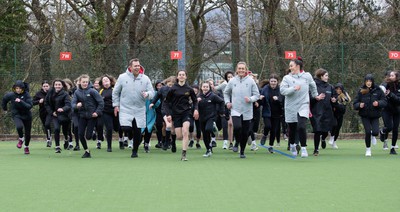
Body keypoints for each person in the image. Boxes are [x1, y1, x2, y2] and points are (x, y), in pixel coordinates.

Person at [280, 57, 322, 158]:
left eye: (291, 66)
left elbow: (312, 85)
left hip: (303, 104)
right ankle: (292, 145)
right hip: (290, 106)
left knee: (301, 126)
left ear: (298, 66)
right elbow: (283, 91)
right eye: (289, 66)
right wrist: (294, 88)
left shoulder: (307, 76)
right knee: (292, 128)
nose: (290, 68)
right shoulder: (287, 78)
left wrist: (315, 95)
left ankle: (303, 148)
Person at [112, 58, 154, 158]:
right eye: (135, 66)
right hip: (126, 108)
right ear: (130, 67)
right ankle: (128, 136)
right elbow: (115, 92)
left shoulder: (145, 78)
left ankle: (135, 151)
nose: (137, 67)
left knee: (138, 131)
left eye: (138, 66)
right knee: (126, 127)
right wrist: (116, 105)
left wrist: (147, 94)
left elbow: (152, 93)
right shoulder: (122, 77)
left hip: (139, 109)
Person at [223, 62, 260, 158]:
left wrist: (251, 99)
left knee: (245, 132)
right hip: (235, 109)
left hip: (247, 110)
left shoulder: (251, 81)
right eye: (239, 68)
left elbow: (257, 95)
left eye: (243, 68)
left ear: (246, 70)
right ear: (236, 69)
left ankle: (242, 151)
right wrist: (227, 102)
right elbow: (226, 93)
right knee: (237, 127)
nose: (241, 70)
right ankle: (236, 142)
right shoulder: (232, 81)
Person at [164, 70, 199, 161]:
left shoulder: (189, 89)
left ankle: (184, 154)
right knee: (179, 135)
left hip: (186, 112)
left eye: (183, 75)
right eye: (180, 75)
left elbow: (195, 101)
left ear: (186, 77)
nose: (182, 76)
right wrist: (168, 114)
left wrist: (195, 110)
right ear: (177, 77)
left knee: (185, 131)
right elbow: (166, 102)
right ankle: (174, 141)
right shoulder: (173, 89)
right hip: (175, 113)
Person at [353, 74, 387, 156]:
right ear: (365, 82)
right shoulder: (361, 90)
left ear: (372, 82)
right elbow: (355, 103)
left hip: (375, 115)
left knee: (375, 132)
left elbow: (384, 101)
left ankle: (373, 136)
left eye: (370, 81)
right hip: (364, 115)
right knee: (368, 132)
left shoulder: (378, 90)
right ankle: (368, 149)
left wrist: (378, 103)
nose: (368, 83)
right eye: (367, 81)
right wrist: (359, 105)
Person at [71, 74, 104, 158]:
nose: (85, 83)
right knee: (80, 134)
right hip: (82, 116)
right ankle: (87, 151)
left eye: (86, 82)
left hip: (92, 116)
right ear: (80, 82)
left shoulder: (92, 91)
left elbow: (101, 102)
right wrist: (76, 106)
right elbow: (73, 104)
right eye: (83, 82)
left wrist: (97, 112)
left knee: (88, 136)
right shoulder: (77, 92)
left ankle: (93, 132)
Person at [310, 68, 337, 156]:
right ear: (321, 76)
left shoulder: (330, 86)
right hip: (316, 112)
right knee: (317, 130)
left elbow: (334, 96)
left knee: (326, 130)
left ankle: (323, 139)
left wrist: (334, 99)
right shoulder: (313, 85)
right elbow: (309, 98)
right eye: (326, 76)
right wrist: (316, 98)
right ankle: (316, 149)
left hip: (328, 112)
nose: (327, 77)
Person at [2, 80, 33, 154]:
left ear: (22, 88)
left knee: (28, 134)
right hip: (17, 114)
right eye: (16, 88)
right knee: (19, 127)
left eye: (19, 88)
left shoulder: (27, 95)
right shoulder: (11, 95)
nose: (18, 90)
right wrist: (5, 109)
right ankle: (21, 138)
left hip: (27, 115)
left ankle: (26, 147)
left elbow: (29, 106)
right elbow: (4, 100)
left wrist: (21, 101)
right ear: (14, 88)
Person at [197, 81, 225, 157]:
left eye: (207, 87)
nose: (205, 88)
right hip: (202, 118)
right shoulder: (198, 96)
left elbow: (222, 101)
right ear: (201, 88)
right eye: (204, 87)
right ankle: (208, 150)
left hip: (211, 117)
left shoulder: (213, 96)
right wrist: (197, 102)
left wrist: (221, 111)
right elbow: (193, 105)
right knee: (205, 135)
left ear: (209, 88)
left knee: (208, 129)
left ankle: (214, 129)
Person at [44, 79, 72, 153]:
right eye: (56, 84)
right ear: (53, 85)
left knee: (65, 130)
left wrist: (62, 109)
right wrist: (52, 112)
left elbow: (68, 105)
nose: (57, 86)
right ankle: (57, 147)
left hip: (65, 115)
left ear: (62, 85)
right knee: (56, 129)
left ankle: (66, 139)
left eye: (59, 84)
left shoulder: (65, 94)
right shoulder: (50, 92)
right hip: (55, 114)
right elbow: (46, 103)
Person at [97, 74, 120, 152]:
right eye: (104, 80)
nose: (105, 81)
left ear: (110, 81)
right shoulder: (100, 91)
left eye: (107, 79)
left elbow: (120, 98)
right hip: (105, 112)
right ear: (102, 83)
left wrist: (118, 107)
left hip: (115, 111)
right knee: (109, 128)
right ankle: (109, 146)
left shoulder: (115, 89)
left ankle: (121, 140)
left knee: (118, 128)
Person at [379, 70, 400, 154]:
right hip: (386, 110)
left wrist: (390, 94)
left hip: (397, 111)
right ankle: (382, 131)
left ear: (396, 77)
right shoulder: (385, 85)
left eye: (392, 75)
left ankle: (392, 148)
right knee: (389, 127)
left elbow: (398, 100)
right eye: (389, 75)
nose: (390, 77)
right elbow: (379, 91)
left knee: (395, 129)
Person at [216, 71, 234, 150]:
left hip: (234, 107)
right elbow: (214, 89)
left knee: (231, 124)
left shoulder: (236, 84)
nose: (230, 78)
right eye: (228, 77)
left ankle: (231, 142)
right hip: (225, 107)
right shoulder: (224, 85)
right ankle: (226, 141)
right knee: (225, 125)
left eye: (231, 77)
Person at [329, 83, 351, 149]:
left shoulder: (343, 95)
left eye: (340, 89)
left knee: (338, 128)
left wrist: (341, 99)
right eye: (337, 89)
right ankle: (331, 137)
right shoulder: (332, 94)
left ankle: (334, 142)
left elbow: (347, 100)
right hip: (333, 113)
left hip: (340, 114)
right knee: (334, 125)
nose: (338, 90)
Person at [33, 80, 51, 147]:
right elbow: (32, 102)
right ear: (42, 87)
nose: (45, 87)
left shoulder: (52, 93)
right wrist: (38, 101)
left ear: (49, 86)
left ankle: (49, 139)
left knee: (47, 124)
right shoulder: (38, 94)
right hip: (42, 112)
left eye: (47, 86)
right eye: (44, 86)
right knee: (45, 125)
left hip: (50, 112)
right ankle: (48, 138)